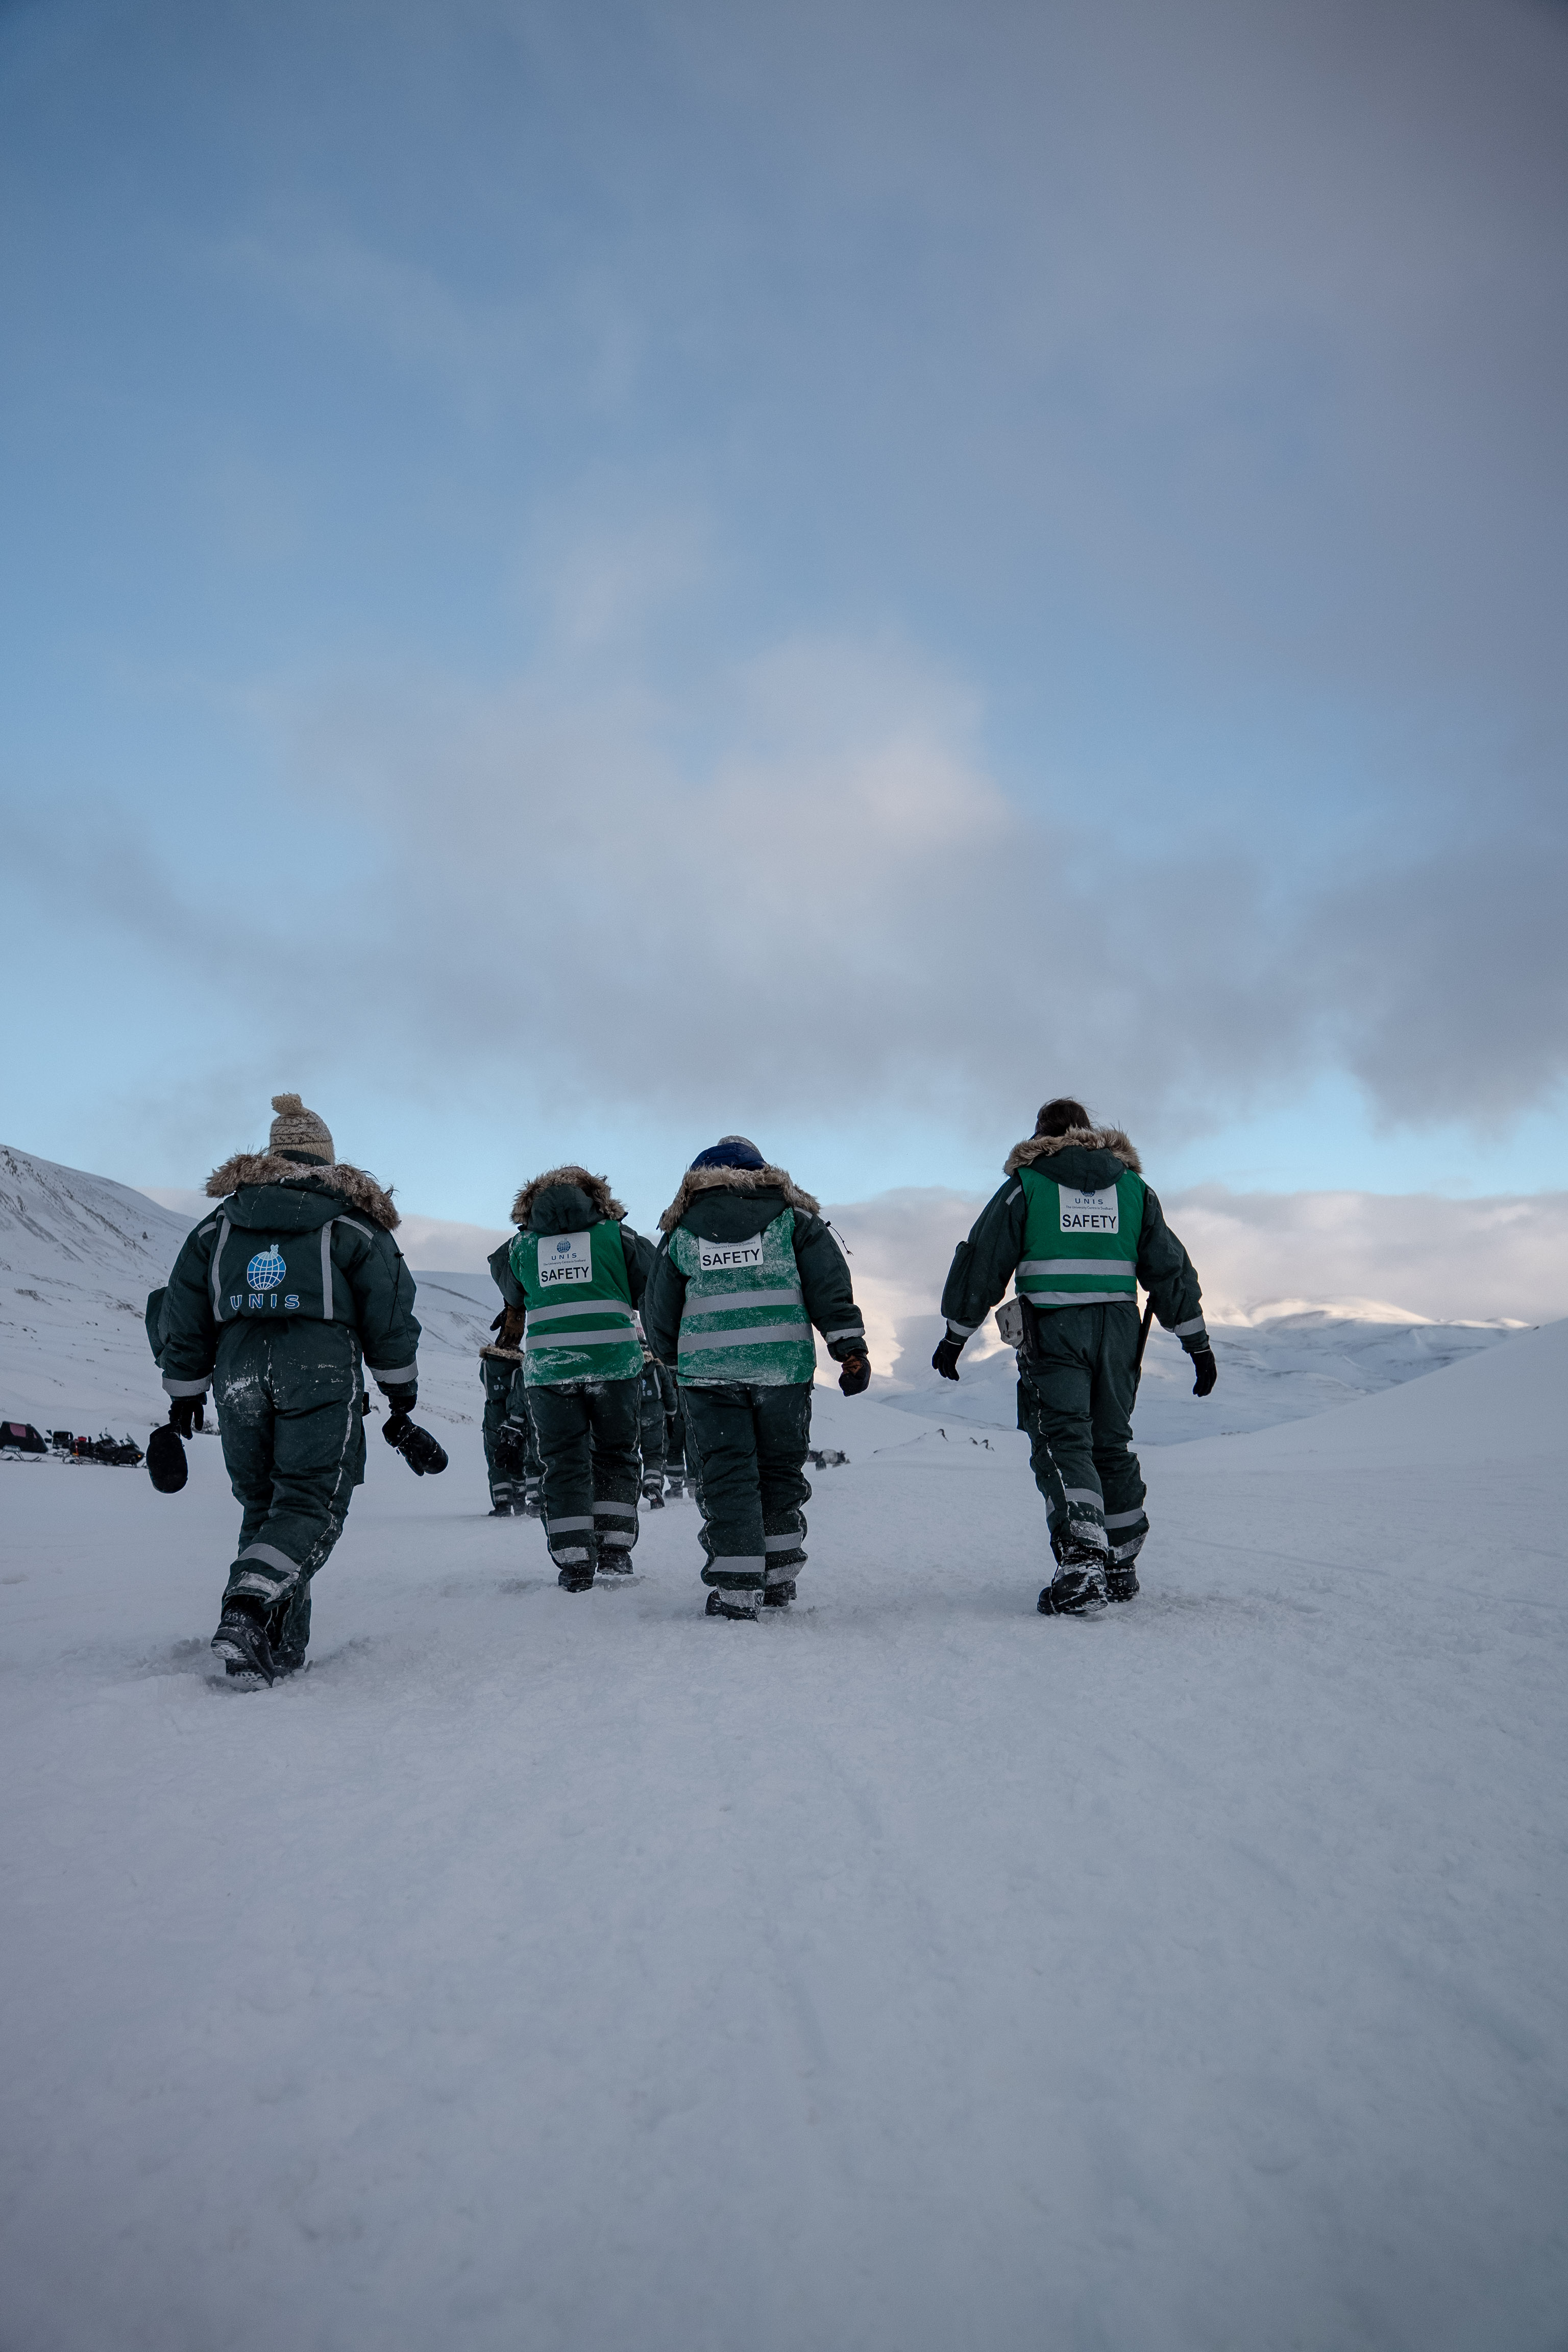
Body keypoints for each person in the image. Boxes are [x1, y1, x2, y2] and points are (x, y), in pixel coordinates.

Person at [154, 1092, 424, 1682]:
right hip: (318, 1368)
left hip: (237, 1372)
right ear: (327, 1162)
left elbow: (181, 1309)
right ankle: (249, 1609)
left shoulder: (218, 1226)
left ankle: (273, 1646)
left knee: (265, 1505)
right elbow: (389, 1311)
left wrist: (184, 1391)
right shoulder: (351, 1224)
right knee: (309, 1504)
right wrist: (400, 1391)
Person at [933, 1096, 1216, 1615]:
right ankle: (1120, 1565)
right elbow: (1169, 1269)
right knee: (1110, 1442)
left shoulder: (1027, 1185)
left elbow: (983, 1262)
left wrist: (956, 1335)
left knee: (1064, 1440)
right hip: (1119, 1333)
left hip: (1054, 1330)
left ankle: (1083, 1563)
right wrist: (1197, 1343)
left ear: (1041, 1136)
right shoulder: (1134, 1188)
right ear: (1089, 1132)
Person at [641, 1135, 870, 1619]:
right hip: (782, 1371)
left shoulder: (682, 1230)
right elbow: (829, 1285)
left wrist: (672, 1360)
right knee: (779, 1470)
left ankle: (738, 1588)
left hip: (708, 1375)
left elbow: (659, 1308)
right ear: (762, 1173)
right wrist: (849, 1349)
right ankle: (779, 1578)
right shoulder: (795, 1220)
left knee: (727, 1474)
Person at [508, 1164, 653, 1589]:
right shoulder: (620, 1237)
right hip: (614, 1364)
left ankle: (573, 1559)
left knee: (563, 1461)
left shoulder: (521, 1245)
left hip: (551, 1371)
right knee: (615, 1454)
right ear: (595, 1198)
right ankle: (614, 1550)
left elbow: (512, 1291)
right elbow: (650, 1285)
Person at [480, 1239, 542, 1515]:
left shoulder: (487, 1367)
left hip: (492, 1417)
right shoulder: (521, 1370)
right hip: (518, 1417)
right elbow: (520, 1394)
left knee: (497, 1458)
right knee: (526, 1454)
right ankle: (530, 1498)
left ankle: (503, 1502)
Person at [636, 1339, 678, 1505]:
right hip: (655, 1415)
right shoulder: (658, 1367)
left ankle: (629, 1490)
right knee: (654, 1453)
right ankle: (652, 1485)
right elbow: (669, 1393)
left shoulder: (629, 1367)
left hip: (632, 1413)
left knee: (629, 1453)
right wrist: (671, 1414)